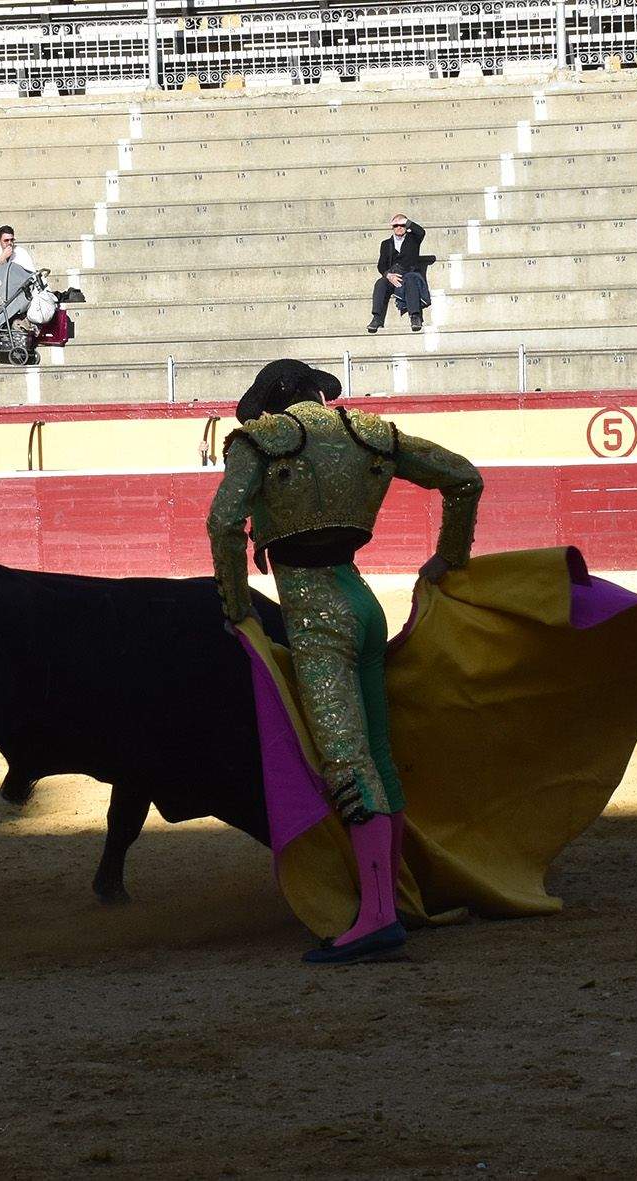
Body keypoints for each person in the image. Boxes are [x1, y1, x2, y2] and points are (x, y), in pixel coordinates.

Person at [207, 359, 483, 964]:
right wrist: (449, 556)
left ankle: (378, 918)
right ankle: (394, 900)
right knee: (378, 755)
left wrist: (236, 605)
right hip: (363, 605)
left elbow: (224, 521)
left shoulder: (261, 441)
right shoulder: (371, 435)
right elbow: (464, 478)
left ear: (272, 403)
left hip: (316, 615)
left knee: (349, 763)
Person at [367, 214, 431, 333]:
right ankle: (377, 318)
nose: (399, 227)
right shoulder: (386, 244)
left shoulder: (413, 239)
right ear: (392, 227)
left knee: (411, 280)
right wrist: (388, 275)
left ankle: (415, 316)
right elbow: (381, 265)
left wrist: (406, 221)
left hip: (409, 273)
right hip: (393, 275)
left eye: (402, 225)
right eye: (396, 225)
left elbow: (421, 232)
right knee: (380, 283)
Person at [0, 225, 37, 313]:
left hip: (19, 290)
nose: (9, 243)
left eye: (11, 240)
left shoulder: (21, 252)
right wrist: (1, 259)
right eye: (6, 240)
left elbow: (31, 274)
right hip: (1, 290)